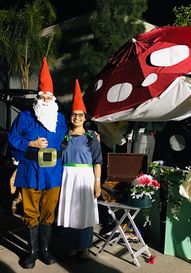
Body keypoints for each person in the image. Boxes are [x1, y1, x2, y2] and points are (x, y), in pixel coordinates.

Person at [8, 57, 67, 269]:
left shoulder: (60, 119)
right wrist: (30, 142)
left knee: (49, 211)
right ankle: (31, 252)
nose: (45, 98)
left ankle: (44, 250)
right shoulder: (25, 116)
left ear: (53, 98)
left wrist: (91, 136)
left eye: (48, 96)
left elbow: (69, 139)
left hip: (53, 173)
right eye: (42, 95)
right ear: (38, 96)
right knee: (31, 211)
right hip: (31, 170)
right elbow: (12, 138)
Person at [57, 79, 102, 260]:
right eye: (74, 115)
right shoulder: (64, 137)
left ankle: (84, 247)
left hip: (85, 177)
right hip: (67, 177)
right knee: (70, 211)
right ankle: (72, 246)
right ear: (71, 117)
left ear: (85, 117)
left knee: (85, 212)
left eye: (80, 115)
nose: (76, 118)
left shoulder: (91, 137)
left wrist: (97, 183)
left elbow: (98, 161)